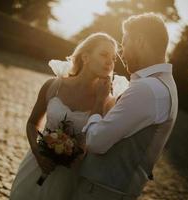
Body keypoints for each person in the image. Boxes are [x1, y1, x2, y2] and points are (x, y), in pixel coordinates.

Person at [72, 13, 178, 200]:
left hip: (101, 191)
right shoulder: (165, 85)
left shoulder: (148, 89)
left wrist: (99, 101)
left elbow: (96, 141)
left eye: (124, 43)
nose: (121, 53)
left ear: (140, 41)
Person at [10, 32, 128, 200]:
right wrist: (38, 154)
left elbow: (97, 144)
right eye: (104, 55)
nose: (110, 62)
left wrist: (100, 101)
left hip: (69, 178)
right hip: (35, 165)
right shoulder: (53, 86)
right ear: (86, 57)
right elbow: (32, 123)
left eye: (114, 58)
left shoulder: (108, 103)